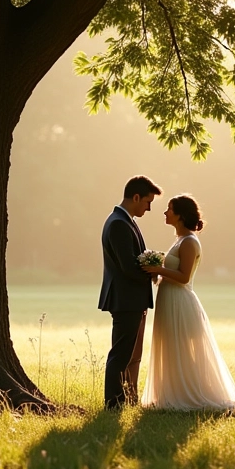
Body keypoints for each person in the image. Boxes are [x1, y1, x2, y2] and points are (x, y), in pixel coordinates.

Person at [140, 194, 235, 411]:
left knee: (181, 347)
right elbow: (172, 273)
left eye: (169, 209)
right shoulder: (179, 239)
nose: (165, 213)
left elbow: (184, 277)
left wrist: (158, 269)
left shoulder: (189, 241)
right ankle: (170, 392)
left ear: (179, 215)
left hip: (180, 301)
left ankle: (189, 394)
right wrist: (156, 275)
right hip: (168, 298)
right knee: (171, 346)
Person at [100, 175, 162, 409]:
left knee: (125, 352)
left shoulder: (125, 220)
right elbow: (127, 266)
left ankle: (121, 398)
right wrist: (152, 271)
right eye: (147, 202)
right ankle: (114, 402)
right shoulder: (118, 223)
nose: (148, 208)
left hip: (130, 298)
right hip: (125, 299)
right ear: (136, 197)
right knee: (121, 353)